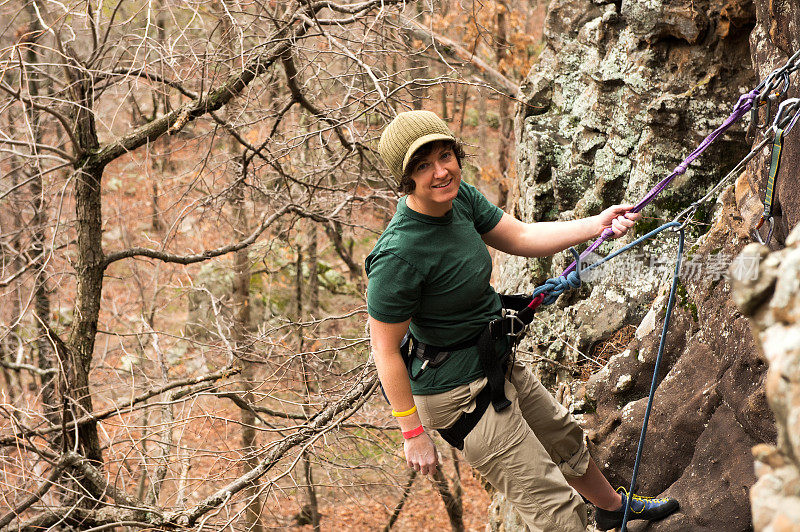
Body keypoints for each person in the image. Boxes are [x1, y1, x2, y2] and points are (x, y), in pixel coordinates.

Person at [366, 111, 680, 531]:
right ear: (406, 179)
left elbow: (521, 237)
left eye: (446, 156)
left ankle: (611, 508)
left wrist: (596, 224)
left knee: (565, 439)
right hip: (455, 395)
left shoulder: (459, 200)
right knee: (554, 508)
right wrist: (411, 432)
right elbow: (385, 349)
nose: (440, 172)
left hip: (495, 360)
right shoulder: (398, 255)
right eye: (423, 166)